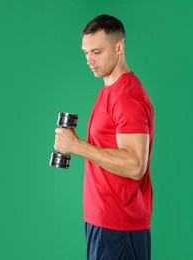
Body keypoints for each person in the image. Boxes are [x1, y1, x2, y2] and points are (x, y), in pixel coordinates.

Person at [54, 14, 155, 260]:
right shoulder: (109, 90)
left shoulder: (127, 97)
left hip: (117, 225)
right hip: (103, 221)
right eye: (86, 53)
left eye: (97, 52)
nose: (89, 60)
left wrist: (76, 146)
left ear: (119, 47)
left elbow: (135, 165)